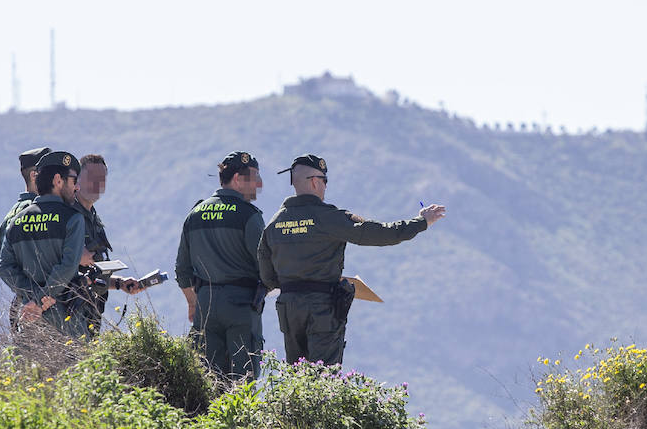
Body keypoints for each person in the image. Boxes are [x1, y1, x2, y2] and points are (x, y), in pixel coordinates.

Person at [257, 153, 446, 365]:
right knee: (324, 380)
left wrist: (294, 283)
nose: (326, 187)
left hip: (289, 308)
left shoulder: (274, 223)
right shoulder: (328, 217)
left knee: (296, 378)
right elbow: (379, 233)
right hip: (322, 309)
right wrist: (420, 222)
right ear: (314, 182)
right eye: (325, 181)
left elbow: (266, 275)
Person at [174, 151, 266, 379]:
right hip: (242, 307)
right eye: (254, 176)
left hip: (205, 305)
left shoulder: (194, 214)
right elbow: (267, 267)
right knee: (243, 384)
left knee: (208, 382)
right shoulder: (249, 215)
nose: (259, 183)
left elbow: (182, 270)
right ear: (237, 179)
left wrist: (193, 303)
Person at [0, 150, 87, 340]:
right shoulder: (72, 219)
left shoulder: (16, 221)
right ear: (58, 180)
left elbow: (4, 268)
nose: (77, 187)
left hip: (29, 322)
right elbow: (69, 266)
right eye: (73, 180)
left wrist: (31, 298)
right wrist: (40, 299)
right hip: (66, 324)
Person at [65, 153, 141, 339]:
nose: (98, 183)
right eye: (92, 177)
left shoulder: (93, 219)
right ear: (76, 180)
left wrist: (119, 283)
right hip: (69, 311)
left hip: (92, 310)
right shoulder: (67, 215)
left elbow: (93, 270)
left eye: (102, 179)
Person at [0, 146, 50, 331]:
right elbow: (8, 268)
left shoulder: (14, 212)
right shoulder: (32, 212)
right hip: (38, 310)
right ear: (36, 175)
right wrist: (36, 297)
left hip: (30, 305)